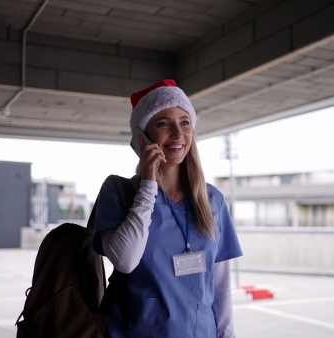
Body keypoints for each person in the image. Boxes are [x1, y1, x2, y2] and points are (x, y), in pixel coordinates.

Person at [93, 79, 243, 337]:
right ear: (142, 136)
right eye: (163, 123)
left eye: (184, 122)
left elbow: (220, 288)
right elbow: (125, 261)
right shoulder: (118, 192)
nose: (177, 134)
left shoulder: (212, 200)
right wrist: (148, 185)